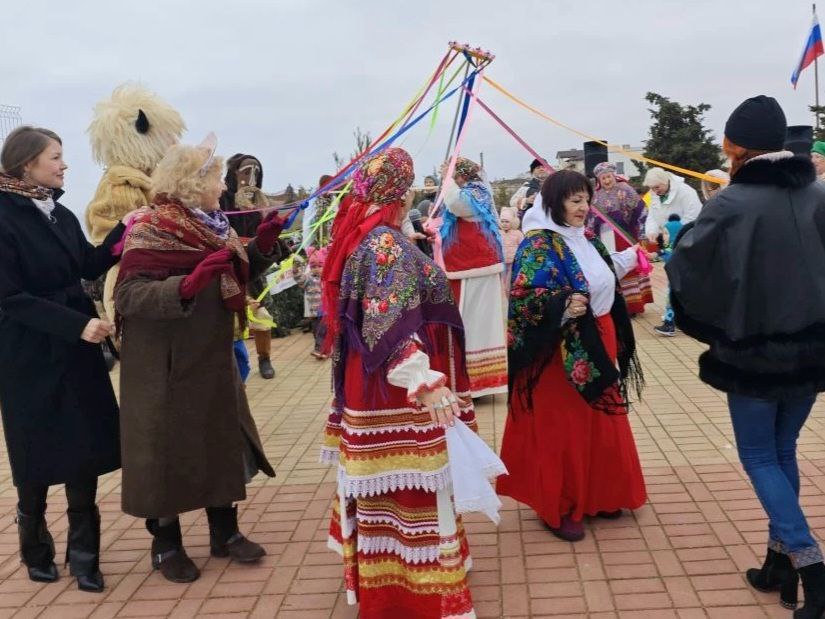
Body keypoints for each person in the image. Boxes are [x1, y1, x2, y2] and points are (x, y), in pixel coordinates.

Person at [667, 95, 825, 616]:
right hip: (812, 349)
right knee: (781, 453)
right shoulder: (818, 194)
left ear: (734, 146)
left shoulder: (730, 203)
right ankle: (778, 565)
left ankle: (813, 569)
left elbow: (691, 267)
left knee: (760, 456)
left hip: (754, 353)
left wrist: (681, 242)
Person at [115, 139, 287, 583]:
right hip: (163, 363)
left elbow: (239, 271)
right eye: (214, 177)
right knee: (165, 449)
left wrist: (263, 247)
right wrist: (186, 285)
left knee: (219, 437)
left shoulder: (216, 226)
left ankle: (224, 533)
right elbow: (129, 296)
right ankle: (166, 543)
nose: (222, 184)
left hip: (211, 353)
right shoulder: (151, 228)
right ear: (193, 183)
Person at [319, 147, 480, 618]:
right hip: (394, 384)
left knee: (388, 488)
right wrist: (423, 380)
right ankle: (412, 592)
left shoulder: (368, 237)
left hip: (372, 380)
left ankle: (388, 579)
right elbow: (387, 323)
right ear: (399, 192)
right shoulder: (384, 245)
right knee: (411, 486)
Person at [0, 126, 125, 592]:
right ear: (27, 162)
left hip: (77, 350)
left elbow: (87, 264)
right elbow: (10, 297)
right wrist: (76, 324)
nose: (64, 164)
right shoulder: (3, 215)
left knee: (83, 449)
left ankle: (84, 555)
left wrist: (126, 230)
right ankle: (34, 546)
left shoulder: (62, 213)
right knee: (35, 453)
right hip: (28, 352)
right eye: (55, 157)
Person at [498, 169, 647, 542]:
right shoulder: (538, 243)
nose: (584, 207)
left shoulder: (588, 239)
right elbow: (523, 298)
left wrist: (631, 259)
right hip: (558, 351)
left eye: (586, 200)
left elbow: (601, 275)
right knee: (562, 427)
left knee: (599, 419)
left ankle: (600, 494)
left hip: (600, 336)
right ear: (554, 201)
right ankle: (559, 504)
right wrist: (563, 304)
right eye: (575, 200)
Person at [440, 158, 508, 398]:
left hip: (477, 268)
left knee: (477, 324)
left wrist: (447, 179)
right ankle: (471, 381)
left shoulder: (477, 192)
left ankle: (479, 382)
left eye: (452, 175)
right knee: (468, 322)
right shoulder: (472, 190)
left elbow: (457, 204)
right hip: (466, 268)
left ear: (462, 176)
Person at [219, 153, 277, 379]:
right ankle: (233, 365)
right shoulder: (222, 198)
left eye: (257, 172)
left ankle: (265, 359)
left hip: (253, 267)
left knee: (262, 315)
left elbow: (263, 234)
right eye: (246, 172)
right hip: (229, 266)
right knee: (231, 319)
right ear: (234, 174)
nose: (251, 177)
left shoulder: (259, 202)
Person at [653, 169, 729, 337]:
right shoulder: (710, 206)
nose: (711, 190)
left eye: (715, 186)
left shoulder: (730, 205)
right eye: (708, 186)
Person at [587, 162, 652, 315]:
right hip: (605, 238)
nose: (607, 181)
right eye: (603, 178)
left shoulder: (625, 189)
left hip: (625, 236)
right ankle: (615, 304)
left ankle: (632, 306)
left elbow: (641, 209)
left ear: (613, 175)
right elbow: (590, 218)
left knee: (629, 267)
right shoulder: (595, 196)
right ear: (599, 180)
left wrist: (641, 232)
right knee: (611, 268)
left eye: (608, 177)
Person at [642, 167, 702, 246]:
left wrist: (673, 232)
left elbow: (693, 216)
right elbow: (652, 216)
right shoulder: (653, 194)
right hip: (666, 240)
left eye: (657, 187)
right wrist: (651, 231)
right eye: (651, 188)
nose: (654, 191)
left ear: (665, 181)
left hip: (685, 240)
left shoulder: (686, 191)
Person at [295, 246, 327, 359]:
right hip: (313, 312)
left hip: (326, 311)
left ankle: (319, 349)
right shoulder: (309, 279)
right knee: (316, 331)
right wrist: (295, 271)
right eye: (313, 266)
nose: (316, 269)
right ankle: (323, 350)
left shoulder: (328, 279)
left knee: (322, 331)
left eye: (320, 266)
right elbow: (300, 280)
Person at [499, 206, 524, 293]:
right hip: (502, 261)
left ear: (512, 222)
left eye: (507, 222)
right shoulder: (499, 233)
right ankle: (502, 293)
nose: (504, 224)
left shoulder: (517, 233)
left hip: (513, 262)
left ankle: (510, 292)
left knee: (511, 280)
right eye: (502, 221)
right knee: (502, 280)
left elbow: (522, 246)